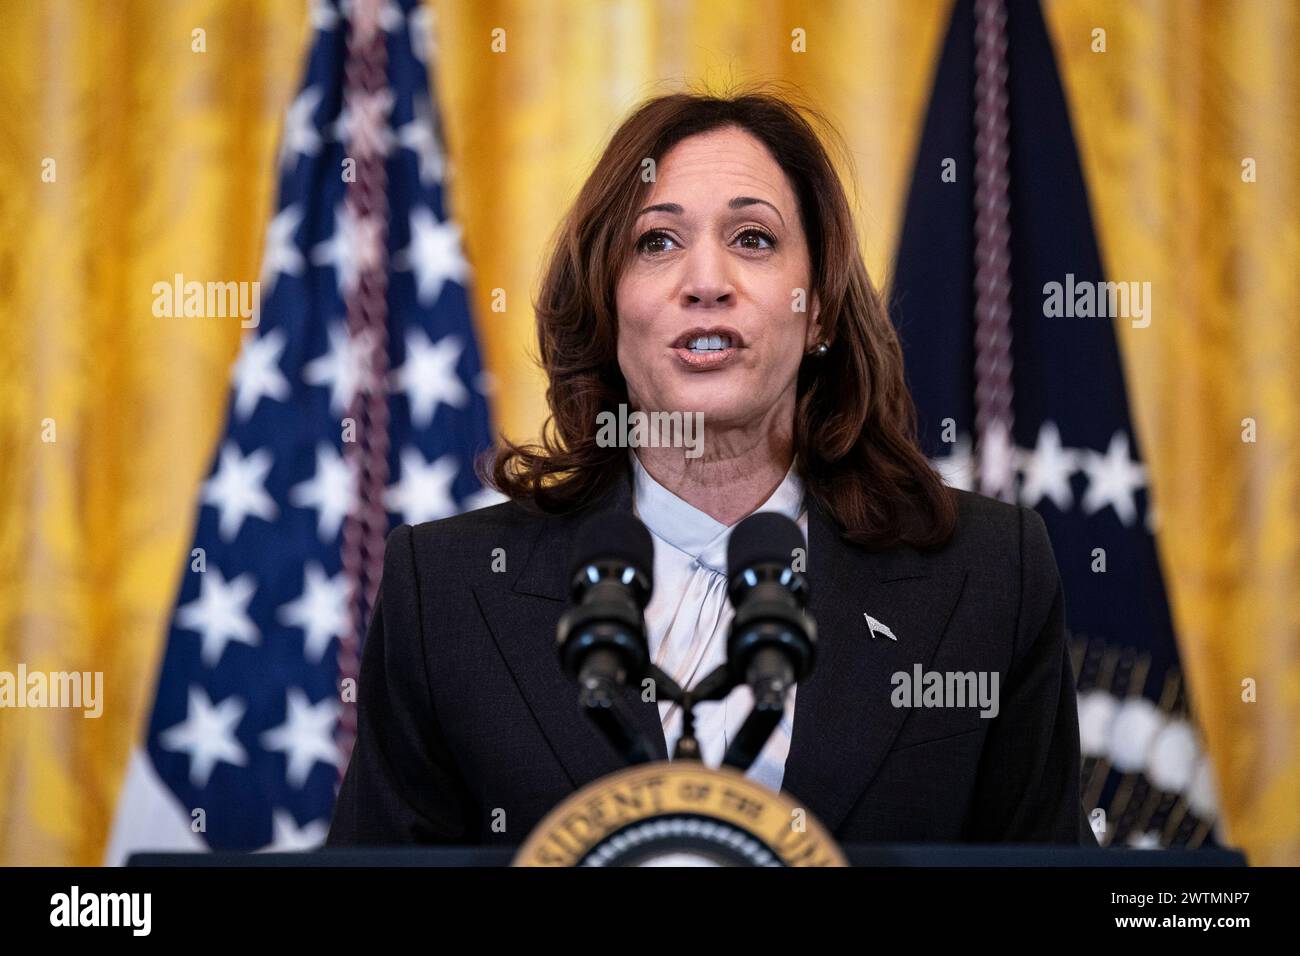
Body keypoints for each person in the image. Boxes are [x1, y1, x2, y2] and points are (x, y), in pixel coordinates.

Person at [327, 90, 1097, 847]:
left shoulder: (989, 574)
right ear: (607, 302)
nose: (706, 281)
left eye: (753, 239)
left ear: (819, 305)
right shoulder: (449, 590)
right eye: (656, 242)